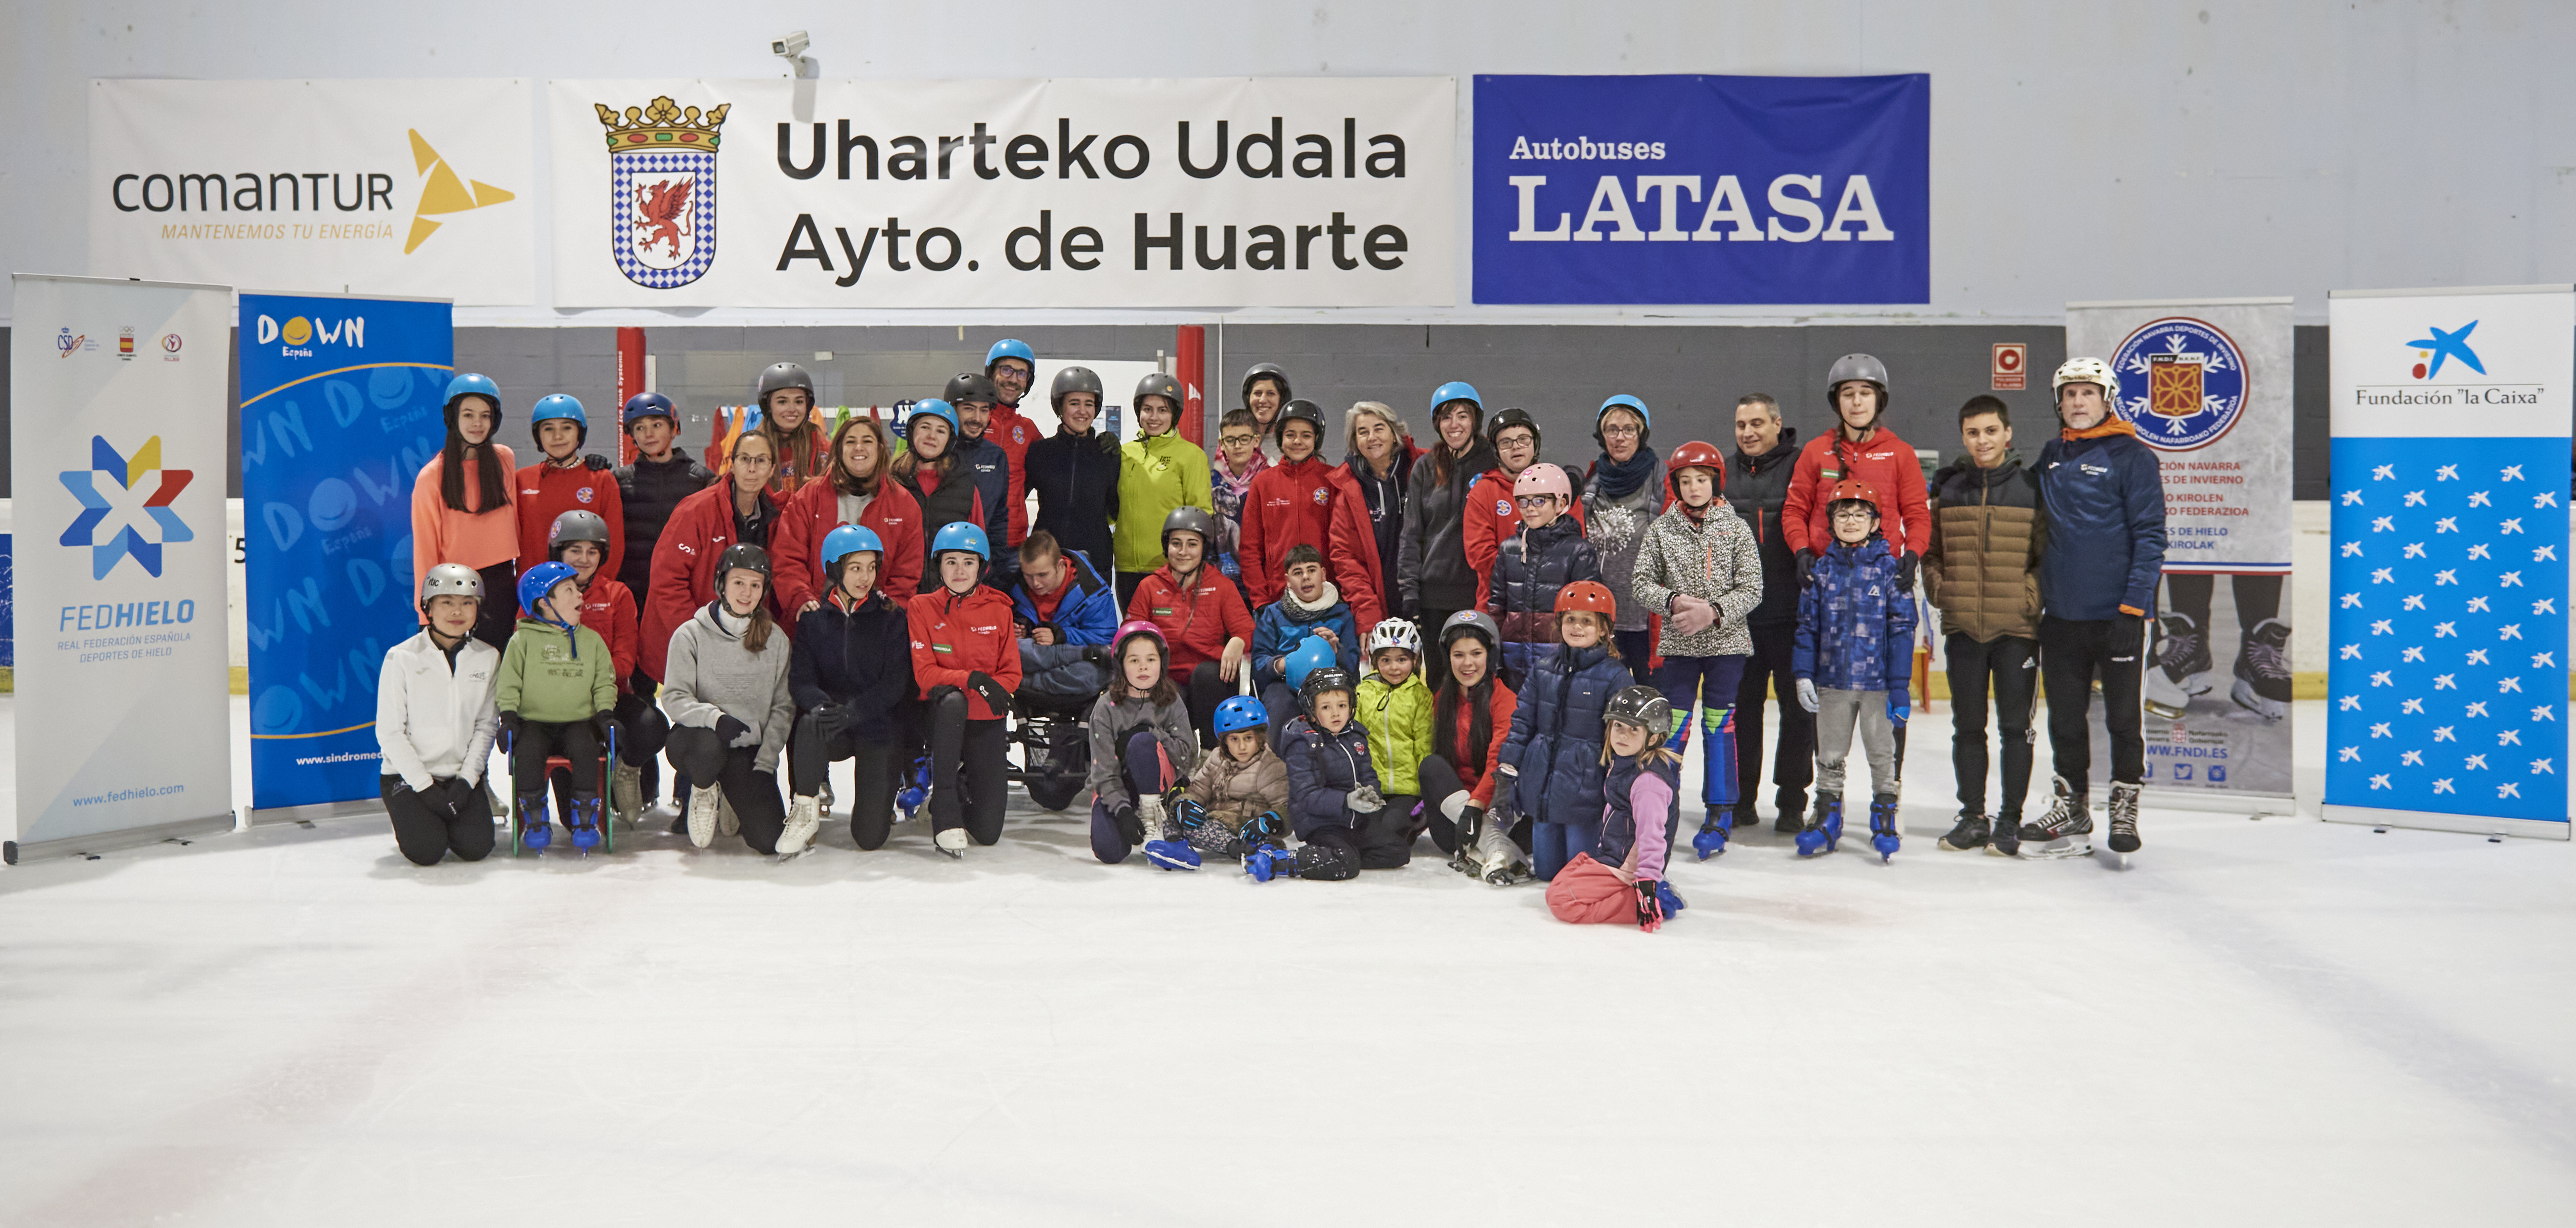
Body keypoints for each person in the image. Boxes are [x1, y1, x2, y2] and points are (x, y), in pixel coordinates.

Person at [2027, 357, 2166, 859]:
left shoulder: (2132, 456)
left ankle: (2125, 804)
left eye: (2087, 393)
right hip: (2062, 615)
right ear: (2058, 403)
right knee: (2064, 719)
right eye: (2069, 394)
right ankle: (2073, 806)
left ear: (2107, 399)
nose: (2077, 402)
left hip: (2117, 617)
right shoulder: (2050, 454)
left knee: (2124, 720)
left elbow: (2151, 537)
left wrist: (2134, 608)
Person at [1921, 396, 2045, 853]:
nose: (1983, 440)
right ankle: (1973, 816)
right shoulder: (1951, 490)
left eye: (1991, 431)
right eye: (1973, 432)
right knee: (1968, 727)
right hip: (1964, 630)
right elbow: (1931, 553)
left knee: (2016, 728)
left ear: (2007, 434)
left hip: (2015, 630)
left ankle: (2009, 819)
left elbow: (2043, 558)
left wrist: (2029, 600)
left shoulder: (2031, 488)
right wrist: (1941, 591)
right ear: (1963, 437)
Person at [643, 431, 784, 824]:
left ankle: (734, 794)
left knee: (737, 715)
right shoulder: (697, 510)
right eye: (745, 459)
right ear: (731, 463)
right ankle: (692, 798)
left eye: (761, 461)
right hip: (697, 639)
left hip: (746, 641)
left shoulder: (775, 515)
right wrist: (701, 642)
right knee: (699, 717)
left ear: (772, 468)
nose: (752, 468)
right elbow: (667, 582)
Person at [1633, 439, 1763, 857]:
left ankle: (1720, 812)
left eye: (1701, 481)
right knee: (1672, 725)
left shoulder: (1736, 528)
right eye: (1685, 481)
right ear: (1674, 484)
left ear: (1715, 482)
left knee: (1717, 722)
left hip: (1726, 644)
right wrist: (1671, 602)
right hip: (1680, 646)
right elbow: (1640, 583)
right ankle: (1661, 806)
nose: (1693, 489)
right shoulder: (1661, 530)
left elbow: (1753, 588)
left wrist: (1715, 612)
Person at [1792, 481, 1916, 862]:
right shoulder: (1820, 573)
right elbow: (1806, 628)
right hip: (1833, 682)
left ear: (1876, 521)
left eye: (1860, 515)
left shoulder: (1890, 572)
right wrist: (1803, 673)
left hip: (1877, 685)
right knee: (1829, 753)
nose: (1851, 521)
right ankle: (1828, 815)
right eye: (1842, 514)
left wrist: (1898, 686)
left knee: (1882, 753)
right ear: (1831, 521)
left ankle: (1884, 814)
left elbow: (1902, 629)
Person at [787, 526, 917, 853]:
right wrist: (821, 707)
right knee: (807, 723)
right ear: (835, 569)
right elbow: (801, 680)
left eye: (872, 567)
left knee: (869, 838)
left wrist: (854, 711)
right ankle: (803, 809)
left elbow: (894, 685)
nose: (866, 577)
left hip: (876, 726)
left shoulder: (892, 618)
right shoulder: (813, 620)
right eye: (856, 568)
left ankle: (881, 799)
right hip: (833, 721)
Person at [1491, 581, 1631, 881]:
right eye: (1570, 619)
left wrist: (1620, 787)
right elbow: (1522, 723)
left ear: (1605, 629)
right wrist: (1507, 772)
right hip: (1542, 786)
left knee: (1576, 877)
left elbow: (1623, 738)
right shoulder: (1543, 669)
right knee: (1545, 874)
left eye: (1587, 621)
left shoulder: (1615, 676)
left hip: (1585, 790)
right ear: (1559, 624)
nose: (1577, 627)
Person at [660, 544, 795, 852]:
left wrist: (766, 760)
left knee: (768, 841)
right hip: (699, 742)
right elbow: (675, 698)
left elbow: (783, 707)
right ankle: (704, 789)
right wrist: (714, 719)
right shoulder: (689, 634)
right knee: (708, 747)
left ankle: (731, 797)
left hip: (746, 751)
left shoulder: (776, 640)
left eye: (755, 585)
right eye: (738, 583)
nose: (746, 593)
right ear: (721, 584)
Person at [1724, 392, 1811, 835]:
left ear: (1778, 424)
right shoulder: (1722, 472)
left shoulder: (1802, 466)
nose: (1748, 433)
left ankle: (1792, 801)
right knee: (1743, 710)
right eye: (1741, 425)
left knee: (1799, 713)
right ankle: (1741, 798)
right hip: (1741, 619)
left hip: (1793, 614)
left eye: (1757, 423)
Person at [547, 511, 668, 830]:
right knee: (576, 824)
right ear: (558, 552)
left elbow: (625, 662)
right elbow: (530, 654)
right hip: (557, 705)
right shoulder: (538, 593)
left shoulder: (617, 595)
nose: (584, 559)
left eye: (592, 552)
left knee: (652, 724)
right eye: (575, 551)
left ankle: (626, 770)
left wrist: (583, 678)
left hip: (610, 698)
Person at [908, 522, 1021, 857]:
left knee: (987, 833)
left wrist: (988, 688)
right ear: (938, 565)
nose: (960, 571)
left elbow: (1011, 674)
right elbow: (925, 675)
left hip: (986, 717)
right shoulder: (921, 607)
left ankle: (959, 784)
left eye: (968, 562)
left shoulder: (1000, 610)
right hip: (943, 715)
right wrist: (973, 679)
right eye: (951, 561)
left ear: (981, 567)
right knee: (952, 700)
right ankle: (943, 812)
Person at [376, 564, 500, 866]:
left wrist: (467, 782)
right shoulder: (401, 657)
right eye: (447, 602)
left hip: (460, 777)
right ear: (428, 607)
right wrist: (426, 789)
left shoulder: (489, 657)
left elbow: (486, 727)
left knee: (476, 848)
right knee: (427, 851)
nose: (458, 611)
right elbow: (390, 732)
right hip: (408, 778)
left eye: (467, 602)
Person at [494, 561, 619, 853]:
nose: (580, 596)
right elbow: (509, 683)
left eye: (577, 590)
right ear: (544, 605)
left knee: (587, 749)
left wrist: (605, 715)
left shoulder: (592, 641)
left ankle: (585, 817)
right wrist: (509, 718)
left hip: (578, 721)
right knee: (527, 752)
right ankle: (535, 817)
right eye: (569, 591)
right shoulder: (522, 640)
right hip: (534, 722)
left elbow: (604, 683)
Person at [1543, 687, 1688, 931]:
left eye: (1634, 729)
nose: (1623, 735)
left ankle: (1650, 901)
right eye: (1618, 726)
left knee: (1561, 900)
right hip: (1611, 855)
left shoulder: (1648, 783)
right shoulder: (1624, 762)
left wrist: (1646, 883)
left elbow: (1652, 836)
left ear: (1653, 738)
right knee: (1559, 884)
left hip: (1625, 866)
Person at [1781, 353, 1933, 586]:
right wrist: (1802, 551)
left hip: (1883, 577)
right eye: (1848, 394)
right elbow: (1795, 511)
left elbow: (1918, 515)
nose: (1857, 402)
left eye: (1866, 393)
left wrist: (1912, 555)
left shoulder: (1900, 453)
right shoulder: (1815, 451)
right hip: (1826, 574)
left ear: (1879, 400)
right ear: (1837, 402)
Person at [1247, 665, 1408, 882]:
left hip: (1354, 820)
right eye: (1326, 707)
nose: (1336, 714)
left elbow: (1367, 773)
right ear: (1311, 711)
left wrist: (1372, 794)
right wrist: (1347, 801)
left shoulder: (1356, 736)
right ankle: (1284, 860)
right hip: (1322, 823)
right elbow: (1307, 797)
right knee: (1347, 865)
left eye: (1342, 705)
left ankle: (1338, 856)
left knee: (1398, 851)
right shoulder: (1302, 743)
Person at [1239, 398, 1386, 632]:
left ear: (1316, 439)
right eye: (1290, 435)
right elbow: (1250, 549)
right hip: (1278, 602)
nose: (1298, 441)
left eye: (1306, 435)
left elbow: (1345, 545)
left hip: (1330, 601)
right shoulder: (1262, 483)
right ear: (1281, 438)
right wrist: (1261, 601)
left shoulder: (1334, 480)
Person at [1395, 382, 1500, 689]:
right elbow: (1412, 533)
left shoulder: (1493, 462)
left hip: (1478, 593)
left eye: (1463, 416)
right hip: (1434, 597)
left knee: (1479, 683)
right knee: (1440, 685)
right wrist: (1410, 591)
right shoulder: (1426, 467)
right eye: (1446, 417)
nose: (1454, 425)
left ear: (1476, 421)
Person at [772, 413, 926, 617]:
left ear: (880, 449)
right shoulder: (808, 498)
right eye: (851, 441)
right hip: (816, 618)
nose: (859, 447)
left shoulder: (904, 505)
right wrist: (801, 599)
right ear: (839, 450)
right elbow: (788, 558)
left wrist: (887, 614)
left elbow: (906, 574)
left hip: (874, 623)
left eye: (867, 441)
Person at [411, 374, 519, 650]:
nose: (477, 423)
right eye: (468, 414)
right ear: (453, 418)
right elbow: (425, 549)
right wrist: (426, 614)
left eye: (485, 415)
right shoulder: (431, 476)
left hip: (502, 585)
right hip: (453, 590)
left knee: (497, 675)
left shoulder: (505, 459)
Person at [1125, 508, 1252, 741]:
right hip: (1166, 678)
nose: (1183, 552)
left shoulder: (1222, 586)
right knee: (1170, 692)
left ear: (1204, 548)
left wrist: (1239, 640)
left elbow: (1246, 629)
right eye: (1176, 544)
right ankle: (1175, 764)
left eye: (1192, 544)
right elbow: (1130, 635)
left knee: (1206, 675)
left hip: (1212, 683)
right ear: (1167, 547)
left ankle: (1212, 753)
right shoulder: (1150, 587)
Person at [1084, 621, 1201, 866]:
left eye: (1151, 659)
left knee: (1142, 742)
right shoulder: (1105, 708)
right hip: (1119, 784)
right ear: (1121, 665)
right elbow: (1103, 771)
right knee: (1110, 851)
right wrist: (1123, 811)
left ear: (1162, 663)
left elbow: (1187, 757)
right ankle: (1134, 811)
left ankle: (1153, 815)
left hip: (1160, 784)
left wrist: (1153, 734)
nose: (1143, 667)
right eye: (1134, 660)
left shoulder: (1172, 701)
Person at [1420, 611, 1521, 874]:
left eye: (1476, 653)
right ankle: (1495, 847)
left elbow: (1498, 761)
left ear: (1490, 656)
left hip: (1493, 812)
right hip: (1457, 821)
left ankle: (1489, 844)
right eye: (1459, 655)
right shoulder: (1442, 699)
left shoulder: (1505, 699)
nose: (1468, 664)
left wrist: (1476, 808)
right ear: (1448, 658)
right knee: (1431, 765)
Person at [1484, 462, 1601, 680]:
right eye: (1523, 502)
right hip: (1514, 662)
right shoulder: (1509, 548)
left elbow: (1589, 615)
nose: (1530, 508)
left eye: (1540, 501)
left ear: (1561, 503)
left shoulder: (1579, 551)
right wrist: (1496, 656)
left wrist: (1580, 659)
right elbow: (1497, 606)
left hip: (1560, 664)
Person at [1579, 394, 1667, 683]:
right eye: (1611, 430)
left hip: (1645, 620)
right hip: (1603, 617)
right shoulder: (1594, 478)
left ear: (1641, 434)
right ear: (1602, 435)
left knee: (1649, 705)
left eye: (1629, 429)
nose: (1620, 437)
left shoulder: (1660, 478)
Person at [1465, 407, 1584, 610]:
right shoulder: (1483, 492)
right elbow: (1480, 555)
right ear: (1496, 450)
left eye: (1524, 439)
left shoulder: (1560, 486)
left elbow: (1575, 547)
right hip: (1499, 606)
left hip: (1552, 606)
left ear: (1534, 443)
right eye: (1506, 442)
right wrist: (1532, 575)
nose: (1516, 447)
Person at [1110, 373, 1213, 608]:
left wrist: (1190, 563)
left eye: (1162, 410)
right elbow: (1111, 508)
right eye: (1147, 409)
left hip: (1171, 568)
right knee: (1134, 637)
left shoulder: (1191, 456)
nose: (1154, 417)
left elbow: (1202, 515)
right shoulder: (1125, 454)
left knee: (1169, 640)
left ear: (1174, 415)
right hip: (1126, 567)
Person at [1157, 695, 1291, 870]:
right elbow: (1198, 790)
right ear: (1225, 741)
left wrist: (1269, 822)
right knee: (1174, 815)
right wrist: (1185, 804)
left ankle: (1248, 849)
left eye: (1248, 739)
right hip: (1217, 821)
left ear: (1260, 737)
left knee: (1196, 830)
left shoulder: (1269, 766)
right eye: (1234, 739)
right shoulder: (1216, 758)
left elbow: (1287, 806)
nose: (1242, 747)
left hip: (1247, 828)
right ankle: (1180, 848)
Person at [611, 391, 714, 617]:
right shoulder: (618, 481)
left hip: (684, 596)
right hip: (632, 595)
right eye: (639, 428)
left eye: (657, 425)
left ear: (674, 429)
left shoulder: (703, 480)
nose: (648, 434)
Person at [1249, 543, 1361, 744]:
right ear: (1288, 581)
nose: (1306, 577)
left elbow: (1353, 666)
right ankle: (1277, 767)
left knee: (1333, 705)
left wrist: (1337, 652)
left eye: (1312, 570)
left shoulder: (1342, 613)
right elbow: (1258, 662)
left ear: (1324, 574)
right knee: (1280, 703)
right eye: (1297, 573)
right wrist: (1282, 664)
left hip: (1330, 684)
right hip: (1284, 685)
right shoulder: (1273, 615)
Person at [511, 394, 623, 583]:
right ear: (538, 435)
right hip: (534, 593)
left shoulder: (601, 479)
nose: (558, 436)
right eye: (548, 429)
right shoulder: (522, 480)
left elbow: (615, 545)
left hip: (586, 594)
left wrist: (596, 590)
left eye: (567, 428)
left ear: (580, 432)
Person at [1025, 365, 1120, 580]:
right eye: (1074, 403)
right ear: (1060, 407)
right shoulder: (1040, 452)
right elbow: (1013, 499)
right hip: (1047, 560)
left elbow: (1118, 509)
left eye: (1089, 404)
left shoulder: (1108, 454)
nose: (1083, 411)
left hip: (1096, 561)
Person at [1010, 531, 1121, 701]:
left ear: (1061, 565)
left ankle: (1022, 683)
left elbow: (1105, 640)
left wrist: (1062, 635)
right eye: (1029, 576)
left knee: (1093, 674)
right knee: (1009, 648)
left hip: (1070, 662)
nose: (1036, 584)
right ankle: (1041, 681)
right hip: (1046, 664)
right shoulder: (1016, 586)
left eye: (1042, 575)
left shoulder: (1093, 592)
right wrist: (1018, 629)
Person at [1353, 618, 1432, 853]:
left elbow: (1424, 743)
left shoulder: (1421, 696)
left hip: (1406, 790)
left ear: (1414, 660)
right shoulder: (1362, 693)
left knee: (1391, 829)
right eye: (1386, 660)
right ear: (1375, 661)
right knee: (1365, 831)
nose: (1394, 668)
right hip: (1372, 786)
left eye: (1402, 660)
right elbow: (1356, 739)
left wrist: (1425, 793)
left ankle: (1415, 823)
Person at [891, 398, 996, 549]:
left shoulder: (965, 487)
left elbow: (977, 544)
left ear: (949, 440)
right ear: (911, 431)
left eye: (941, 431)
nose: (932, 436)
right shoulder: (891, 482)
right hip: (903, 573)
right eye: (925, 427)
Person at [944, 370, 1018, 583]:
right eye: (969, 409)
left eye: (984, 410)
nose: (977, 419)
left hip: (983, 570)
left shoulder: (996, 457)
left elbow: (998, 518)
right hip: (941, 568)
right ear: (952, 409)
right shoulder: (936, 455)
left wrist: (999, 568)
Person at [1344, 401, 1415, 612]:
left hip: (1426, 600)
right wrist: (1367, 610)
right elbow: (1346, 559)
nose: (1372, 438)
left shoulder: (1424, 466)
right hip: (1377, 603)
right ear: (1356, 441)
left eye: (1379, 429)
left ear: (1394, 434)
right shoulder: (1347, 489)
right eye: (1363, 432)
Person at [721, 363, 830, 496]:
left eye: (799, 402)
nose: (792, 409)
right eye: (782, 402)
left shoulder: (821, 446)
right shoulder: (753, 445)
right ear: (768, 406)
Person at [980, 338, 1043, 551]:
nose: (1013, 379)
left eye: (1021, 373)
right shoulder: (973, 421)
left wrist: (1095, 440)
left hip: (1013, 542)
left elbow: (1057, 461)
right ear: (991, 374)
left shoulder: (1028, 430)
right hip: (972, 537)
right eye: (1006, 370)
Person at [1208, 408, 1270, 593]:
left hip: (1262, 578)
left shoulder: (1270, 479)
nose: (1238, 446)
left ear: (1256, 440)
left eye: (1244, 439)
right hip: (1220, 579)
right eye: (1230, 440)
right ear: (1222, 443)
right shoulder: (1210, 481)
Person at [1242, 363, 1291, 460]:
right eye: (1257, 393)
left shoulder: (1293, 443)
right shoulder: (1236, 440)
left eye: (1271, 394)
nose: (1263, 400)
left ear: (1282, 400)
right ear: (1248, 399)